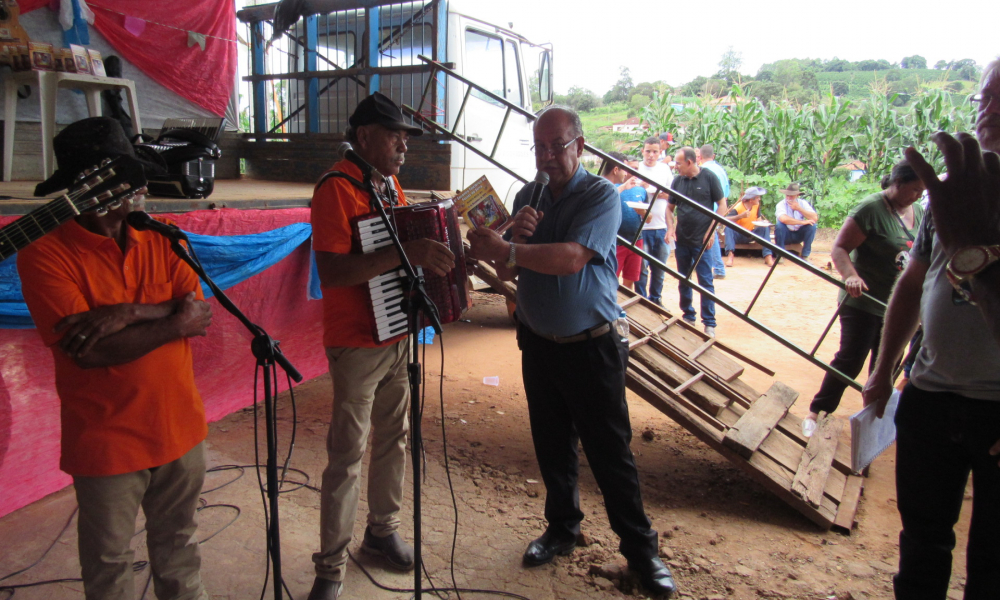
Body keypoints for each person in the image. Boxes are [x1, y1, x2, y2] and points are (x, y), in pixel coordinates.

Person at [466, 106, 676, 598]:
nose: (547, 157)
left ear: (579, 146)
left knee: (610, 453)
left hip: (591, 346)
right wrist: (509, 240)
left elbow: (572, 259)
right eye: (539, 147)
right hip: (539, 344)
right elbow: (515, 275)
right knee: (552, 444)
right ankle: (563, 528)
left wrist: (508, 251)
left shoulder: (601, 196)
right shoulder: (527, 195)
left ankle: (642, 554)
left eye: (556, 146)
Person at [18, 117, 213, 600]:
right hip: (106, 441)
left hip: (181, 429)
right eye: (125, 183)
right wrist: (172, 322)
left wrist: (129, 312)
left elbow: (199, 312)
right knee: (109, 570)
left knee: (180, 551)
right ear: (85, 190)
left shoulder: (164, 237)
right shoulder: (44, 253)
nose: (136, 194)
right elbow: (92, 351)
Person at [307, 92, 456, 600]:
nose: (402, 146)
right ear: (365, 136)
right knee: (347, 453)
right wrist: (404, 253)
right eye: (395, 136)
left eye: (405, 138)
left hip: (397, 332)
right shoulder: (335, 189)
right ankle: (329, 569)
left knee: (396, 436)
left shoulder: (388, 184)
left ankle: (381, 530)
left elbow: (406, 242)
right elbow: (333, 271)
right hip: (354, 342)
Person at [861, 58, 1000, 600]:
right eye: (983, 99)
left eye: (999, 100)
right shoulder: (949, 192)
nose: (986, 111)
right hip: (930, 396)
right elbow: (914, 284)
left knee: (992, 559)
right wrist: (884, 370)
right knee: (921, 543)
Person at [802, 161, 925, 437]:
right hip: (863, 301)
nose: (918, 195)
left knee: (888, 364)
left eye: (922, 191)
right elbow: (840, 248)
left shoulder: (918, 211)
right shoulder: (871, 209)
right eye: (915, 189)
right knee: (851, 358)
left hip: (899, 306)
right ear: (898, 183)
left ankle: (872, 421)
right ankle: (818, 410)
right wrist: (850, 276)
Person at [668, 146, 726, 337]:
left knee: (705, 281)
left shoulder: (708, 177)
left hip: (702, 241)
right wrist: (671, 227)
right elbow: (669, 208)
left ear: (690, 162)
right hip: (683, 239)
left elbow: (722, 207)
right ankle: (688, 315)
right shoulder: (678, 181)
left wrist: (711, 232)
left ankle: (709, 322)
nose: (676, 166)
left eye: (678, 163)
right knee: (684, 279)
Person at [635, 136, 675, 305]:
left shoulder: (664, 169)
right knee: (641, 268)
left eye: (655, 152)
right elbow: (634, 192)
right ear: (643, 151)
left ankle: (656, 299)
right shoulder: (637, 168)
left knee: (660, 268)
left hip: (662, 226)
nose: (651, 155)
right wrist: (657, 192)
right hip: (642, 227)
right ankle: (642, 299)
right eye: (648, 151)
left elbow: (672, 195)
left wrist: (651, 191)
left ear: (660, 152)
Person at [603, 151, 646, 291]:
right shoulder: (606, 186)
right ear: (616, 169)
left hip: (634, 239)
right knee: (610, 278)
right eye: (626, 168)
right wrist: (623, 187)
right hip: (615, 241)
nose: (628, 173)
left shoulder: (640, 190)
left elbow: (648, 217)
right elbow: (606, 197)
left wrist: (643, 212)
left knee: (630, 278)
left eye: (635, 169)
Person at [722, 186, 774, 267]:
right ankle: (730, 255)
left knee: (765, 228)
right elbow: (725, 219)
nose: (759, 199)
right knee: (728, 228)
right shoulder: (738, 207)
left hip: (750, 233)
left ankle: (768, 256)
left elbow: (758, 220)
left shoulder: (756, 206)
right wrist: (740, 216)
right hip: (738, 235)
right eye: (758, 198)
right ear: (751, 200)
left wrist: (763, 222)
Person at [699, 144, 730, 279]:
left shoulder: (702, 170)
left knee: (711, 236)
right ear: (713, 156)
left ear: (699, 157)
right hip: (720, 207)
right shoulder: (721, 170)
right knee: (712, 235)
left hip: (708, 208)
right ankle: (707, 265)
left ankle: (718, 268)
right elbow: (726, 193)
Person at [774, 183, 818, 259]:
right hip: (785, 234)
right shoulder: (781, 204)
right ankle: (780, 254)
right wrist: (802, 222)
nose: (789, 198)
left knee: (812, 226)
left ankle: (805, 255)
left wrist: (799, 209)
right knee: (779, 225)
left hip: (798, 234)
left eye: (791, 195)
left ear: (797, 195)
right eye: (787, 195)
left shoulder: (803, 203)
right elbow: (783, 219)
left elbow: (814, 218)